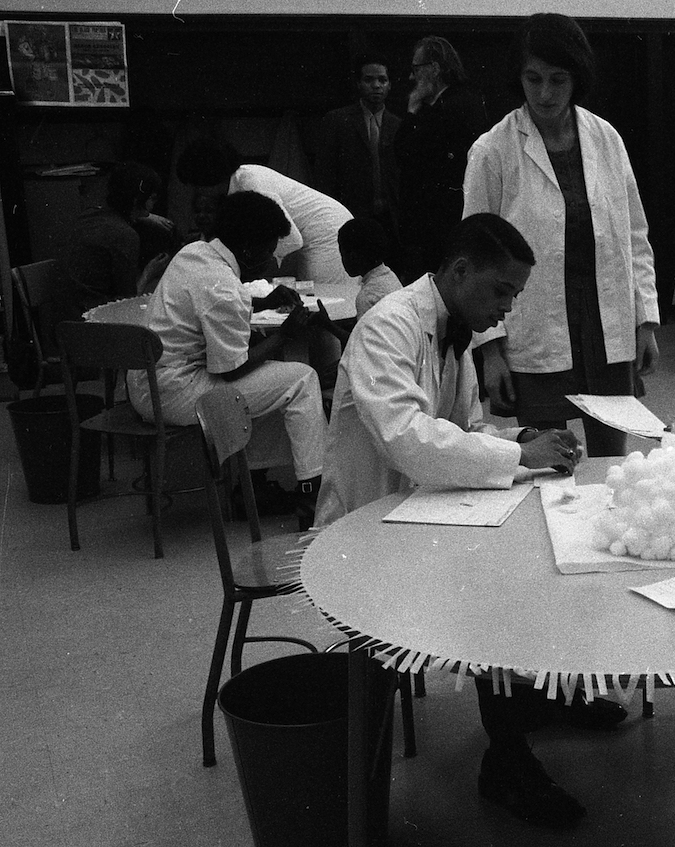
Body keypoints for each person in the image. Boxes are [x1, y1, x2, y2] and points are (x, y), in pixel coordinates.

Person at [315, 213, 616, 830]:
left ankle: (536, 692)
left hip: (429, 506)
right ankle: (507, 762)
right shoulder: (388, 327)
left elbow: (466, 430)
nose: (506, 311)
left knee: (539, 542)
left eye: (515, 296)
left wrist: (524, 439)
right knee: (490, 591)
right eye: (501, 291)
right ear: (458, 271)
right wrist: (516, 456)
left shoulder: (457, 331)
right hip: (370, 529)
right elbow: (410, 440)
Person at [464, 13, 660, 459]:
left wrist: (644, 320)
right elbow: (476, 259)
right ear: (519, 78)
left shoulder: (605, 138)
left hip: (605, 322)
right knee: (546, 461)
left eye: (558, 79)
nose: (545, 93)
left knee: (613, 460)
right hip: (533, 325)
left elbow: (634, 235)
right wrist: (491, 352)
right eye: (533, 79)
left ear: (577, 78)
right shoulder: (492, 151)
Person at [129, 190, 325, 522]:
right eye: (268, 251)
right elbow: (232, 370)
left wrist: (260, 302)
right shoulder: (222, 283)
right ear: (248, 249)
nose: (270, 259)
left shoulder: (194, 252)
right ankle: (312, 494)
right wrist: (283, 335)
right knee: (301, 379)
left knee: (274, 381)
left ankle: (253, 489)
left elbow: (209, 301)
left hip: (148, 382)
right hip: (174, 393)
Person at [176, 137, 354, 290]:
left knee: (322, 296)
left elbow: (292, 239)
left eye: (197, 185)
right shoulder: (230, 189)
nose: (197, 192)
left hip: (328, 230)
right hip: (310, 233)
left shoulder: (251, 183)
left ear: (210, 180)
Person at [395, 35, 489, 279]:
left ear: (434, 68)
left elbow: (405, 154)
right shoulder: (456, 102)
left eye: (416, 69)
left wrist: (412, 110)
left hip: (442, 223)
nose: (411, 77)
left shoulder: (449, 108)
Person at [57, 161, 166, 313]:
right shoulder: (125, 235)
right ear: (136, 200)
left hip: (64, 318)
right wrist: (149, 273)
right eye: (152, 199)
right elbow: (127, 301)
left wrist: (142, 213)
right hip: (94, 322)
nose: (154, 204)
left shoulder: (88, 215)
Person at [315, 53, 401, 236]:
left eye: (382, 80)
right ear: (358, 84)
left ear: (390, 85)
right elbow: (325, 173)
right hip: (350, 214)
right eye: (369, 80)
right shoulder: (338, 121)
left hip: (391, 217)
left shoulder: (398, 125)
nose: (376, 86)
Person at [338, 217, 402, 318]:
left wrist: (327, 324)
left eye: (343, 253)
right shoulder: (391, 278)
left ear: (353, 255)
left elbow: (362, 334)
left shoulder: (367, 297)